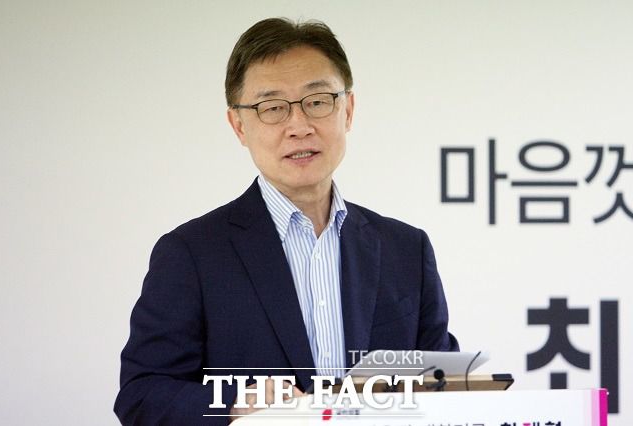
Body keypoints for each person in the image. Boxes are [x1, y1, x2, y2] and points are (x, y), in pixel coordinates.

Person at [114, 17, 459, 425]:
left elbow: (443, 388)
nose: (299, 126)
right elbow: (141, 395)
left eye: (317, 101)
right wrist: (236, 405)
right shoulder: (191, 254)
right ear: (239, 126)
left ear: (347, 110)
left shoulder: (406, 249)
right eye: (272, 108)